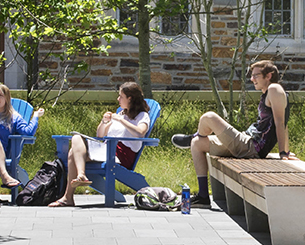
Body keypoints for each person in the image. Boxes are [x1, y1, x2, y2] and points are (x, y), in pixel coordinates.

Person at [171, 60, 291, 207]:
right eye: (252, 76)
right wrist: (286, 150)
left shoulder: (274, 89)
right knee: (197, 145)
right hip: (246, 140)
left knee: (209, 117)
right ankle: (203, 196)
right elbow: (282, 124)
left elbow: (281, 123)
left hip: (251, 145)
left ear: (269, 76)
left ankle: (195, 135)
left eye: (256, 76)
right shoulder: (267, 93)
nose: (252, 79)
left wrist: (283, 153)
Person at [50, 81, 150, 208]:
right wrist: (104, 121)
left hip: (119, 156)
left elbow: (140, 132)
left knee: (72, 153)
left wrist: (121, 120)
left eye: (121, 96)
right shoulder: (121, 113)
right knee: (75, 140)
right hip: (106, 150)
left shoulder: (142, 116)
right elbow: (100, 135)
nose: (118, 99)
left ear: (130, 98)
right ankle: (80, 176)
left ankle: (68, 197)